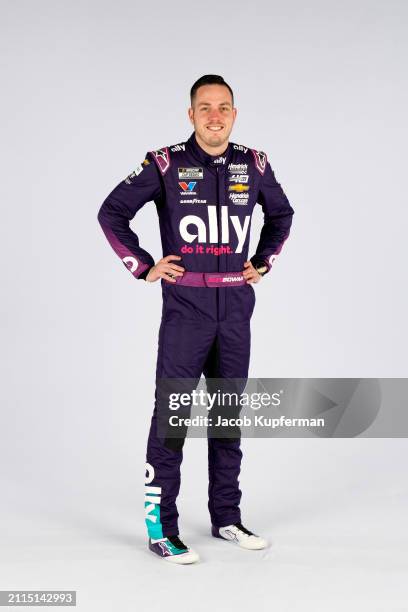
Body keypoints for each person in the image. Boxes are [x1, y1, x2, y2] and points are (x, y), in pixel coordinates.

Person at [97, 74, 294, 564]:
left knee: (228, 417)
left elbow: (283, 215)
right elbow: (112, 213)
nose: (214, 116)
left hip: (236, 311)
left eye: (223, 107)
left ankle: (226, 517)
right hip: (186, 310)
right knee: (173, 418)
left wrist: (264, 260)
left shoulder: (255, 163)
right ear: (190, 114)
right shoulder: (165, 163)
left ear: (234, 112)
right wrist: (144, 267)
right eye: (204, 107)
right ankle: (161, 530)